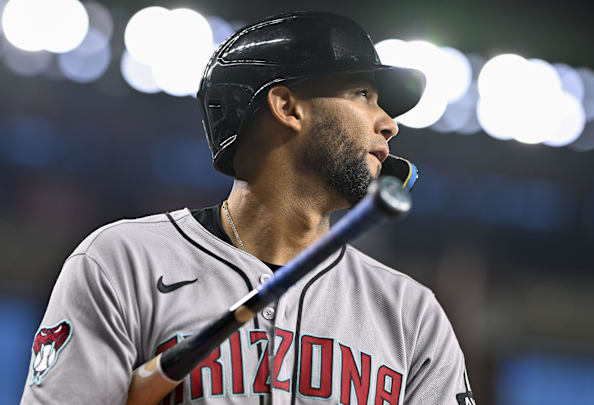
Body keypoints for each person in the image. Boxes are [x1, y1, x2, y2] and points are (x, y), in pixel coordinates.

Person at [21, 11, 474, 405]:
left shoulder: (410, 314)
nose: (389, 124)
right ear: (287, 107)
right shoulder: (123, 263)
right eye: (363, 94)